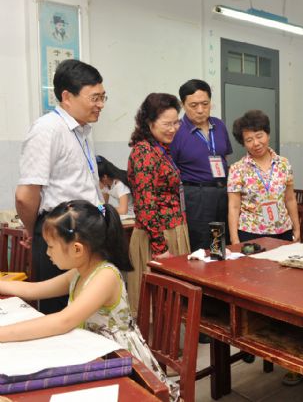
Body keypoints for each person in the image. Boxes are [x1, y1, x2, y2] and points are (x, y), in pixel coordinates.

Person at [0, 200, 179, 400]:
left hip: (123, 365)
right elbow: (35, 289)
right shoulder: (79, 272)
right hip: (93, 355)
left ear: (77, 249)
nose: (47, 253)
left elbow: (62, 321)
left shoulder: (105, 276)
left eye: (50, 246)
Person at [15, 59, 106, 314]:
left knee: (86, 309)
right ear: (67, 97)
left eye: (103, 97)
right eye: (94, 98)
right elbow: (25, 196)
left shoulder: (81, 131)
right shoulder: (47, 129)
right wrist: (35, 231)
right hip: (60, 234)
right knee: (59, 310)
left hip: (84, 232)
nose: (100, 105)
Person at [127, 93, 190, 315]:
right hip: (157, 236)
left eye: (176, 123)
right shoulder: (143, 152)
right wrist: (160, 248)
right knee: (155, 307)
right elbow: (145, 205)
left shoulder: (160, 148)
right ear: (149, 122)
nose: (173, 129)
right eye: (166, 124)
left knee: (171, 304)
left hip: (172, 229)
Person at [171, 79, 233, 252]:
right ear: (183, 105)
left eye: (205, 104)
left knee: (221, 243)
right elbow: (172, 168)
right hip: (196, 195)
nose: (200, 110)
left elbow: (224, 157)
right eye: (194, 105)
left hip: (222, 192)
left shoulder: (219, 125)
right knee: (202, 243)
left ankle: (219, 266)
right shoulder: (177, 131)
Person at [227, 110, 301, 244]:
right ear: (243, 143)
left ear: (268, 134)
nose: (256, 143)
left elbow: (290, 199)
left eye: (259, 136)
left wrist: (296, 228)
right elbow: (234, 206)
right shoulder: (237, 169)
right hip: (251, 232)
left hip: (283, 230)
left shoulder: (284, 164)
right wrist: (234, 238)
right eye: (249, 140)